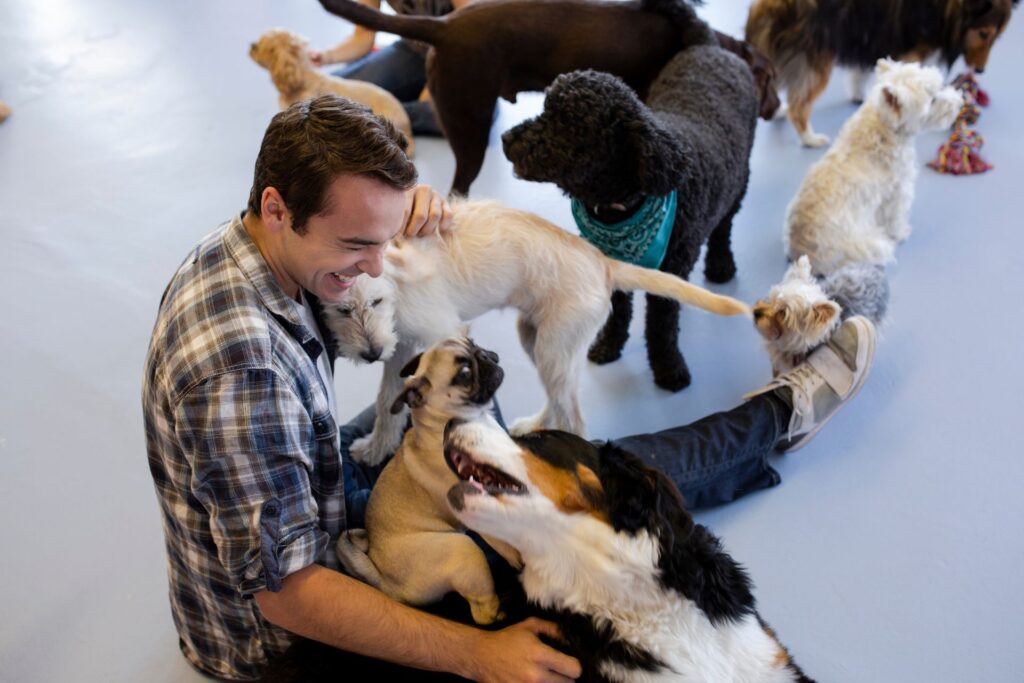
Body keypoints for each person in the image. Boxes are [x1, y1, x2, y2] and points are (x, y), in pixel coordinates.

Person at [143, 93, 875, 682]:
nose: (374, 267)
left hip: (317, 483)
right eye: (359, 244)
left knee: (493, 416)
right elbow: (288, 593)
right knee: (605, 488)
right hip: (285, 632)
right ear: (278, 207)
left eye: (383, 236)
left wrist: (409, 219)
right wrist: (477, 654)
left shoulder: (264, 241)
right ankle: (778, 417)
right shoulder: (239, 371)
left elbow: (374, 257)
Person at [309, 0, 472, 137]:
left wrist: (434, 82)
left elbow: (469, 28)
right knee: (321, 99)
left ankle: (379, 115)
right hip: (413, 49)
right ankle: (387, 114)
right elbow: (363, 36)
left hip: (462, 56)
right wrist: (326, 56)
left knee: (463, 118)